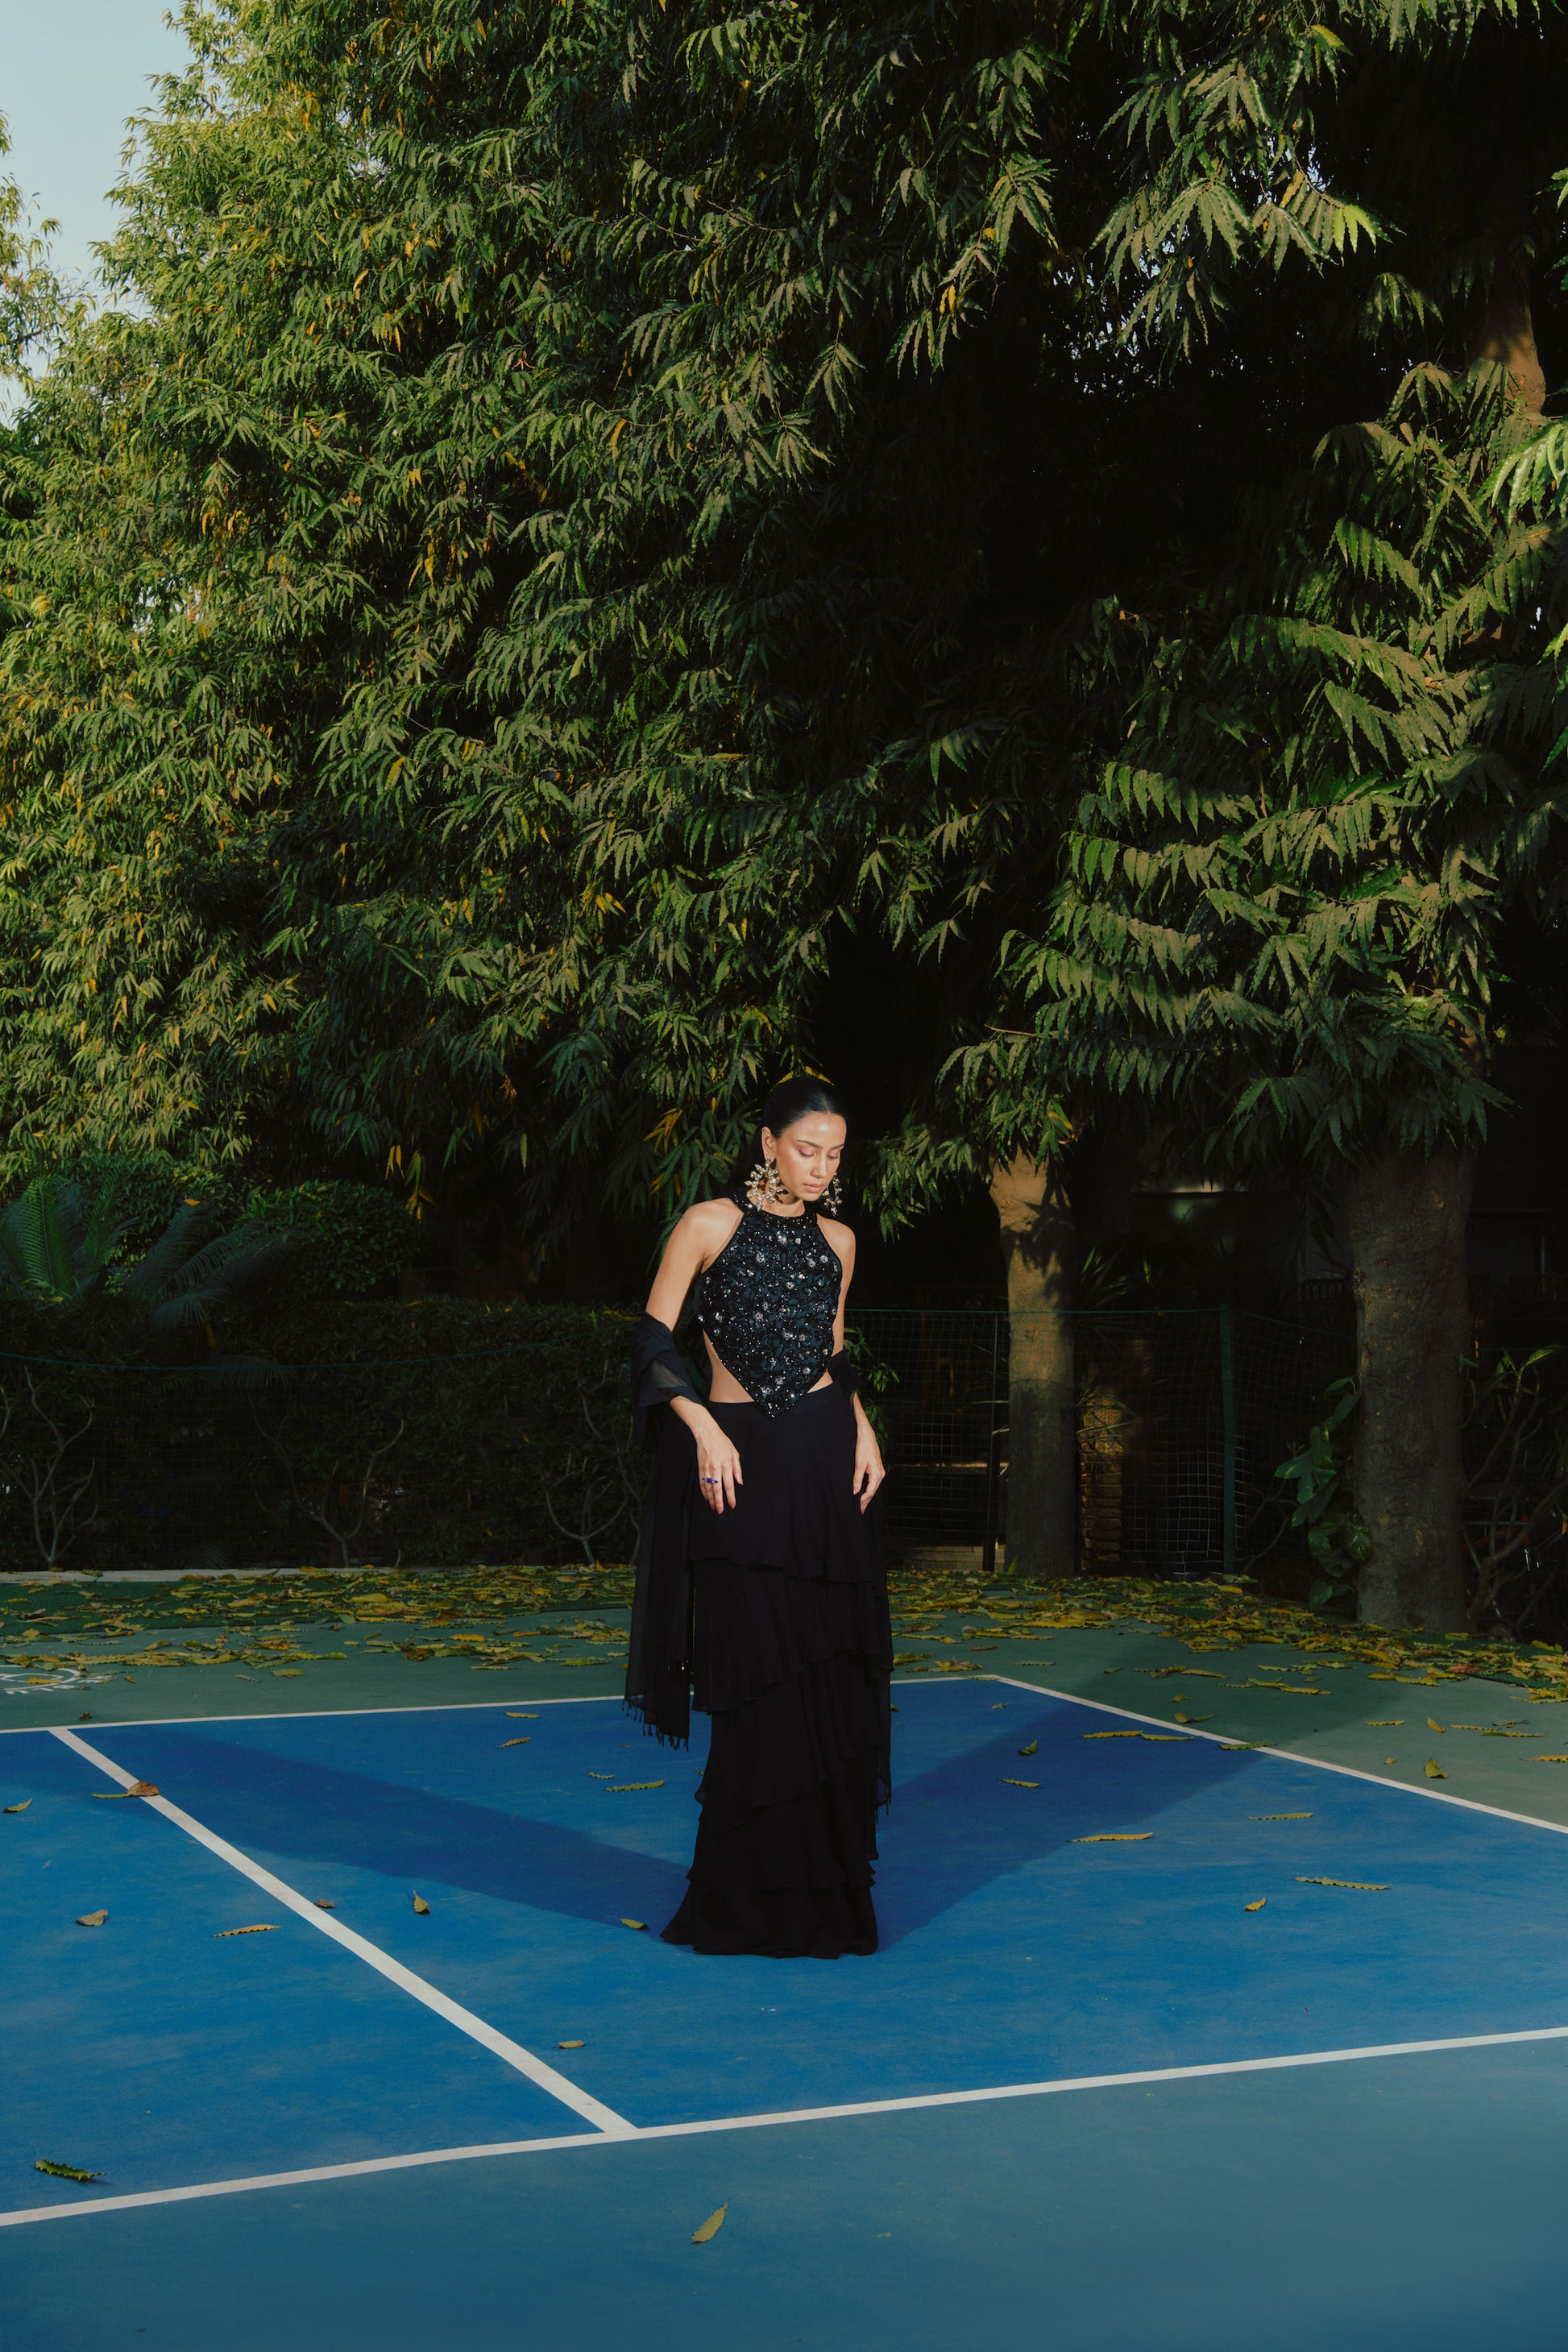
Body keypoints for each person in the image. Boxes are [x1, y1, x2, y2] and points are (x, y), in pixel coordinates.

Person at [627, 1076, 892, 1957]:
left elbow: (834, 1352)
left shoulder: (839, 1241)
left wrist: (863, 1428)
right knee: (755, 1675)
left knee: (829, 1680)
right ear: (768, 1142)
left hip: (826, 1466)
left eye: (834, 1154)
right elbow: (650, 1339)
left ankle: (826, 1905)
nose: (821, 1168)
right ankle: (743, 1900)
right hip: (737, 1465)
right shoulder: (709, 1224)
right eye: (807, 1149)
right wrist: (701, 1423)